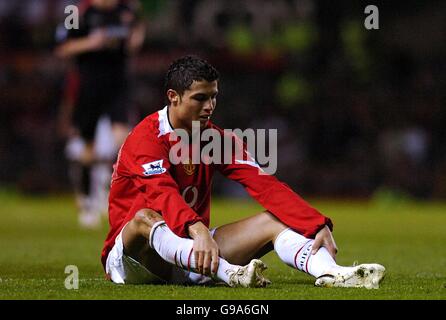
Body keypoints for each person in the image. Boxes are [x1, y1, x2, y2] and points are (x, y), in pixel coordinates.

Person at [101, 55, 386, 288]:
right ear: (173, 97)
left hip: (193, 252)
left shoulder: (216, 140)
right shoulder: (145, 138)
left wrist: (316, 223)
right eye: (200, 98)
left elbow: (264, 184)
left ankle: (334, 274)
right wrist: (199, 230)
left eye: (213, 97)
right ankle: (229, 273)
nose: (210, 106)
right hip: (134, 260)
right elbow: (162, 193)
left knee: (276, 219)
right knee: (144, 218)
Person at [54, 0, 145, 228]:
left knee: (124, 140)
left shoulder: (127, 9)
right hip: (89, 86)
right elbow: (63, 48)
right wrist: (92, 42)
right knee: (87, 148)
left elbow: (138, 28)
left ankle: (110, 184)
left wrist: (134, 40)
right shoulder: (75, 11)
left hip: (118, 85)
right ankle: (86, 201)